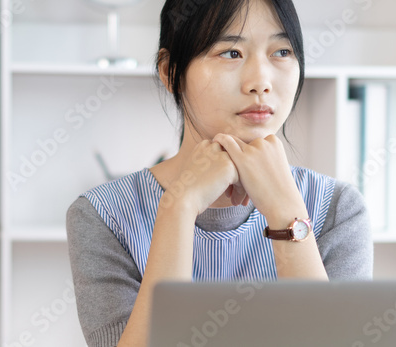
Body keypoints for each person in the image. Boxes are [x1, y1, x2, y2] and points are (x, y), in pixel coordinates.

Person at [65, 0, 373, 345]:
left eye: (282, 51)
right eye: (231, 53)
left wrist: (286, 211)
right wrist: (178, 207)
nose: (261, 82)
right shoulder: (102, 215)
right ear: (170, 72)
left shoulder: (338, 210)